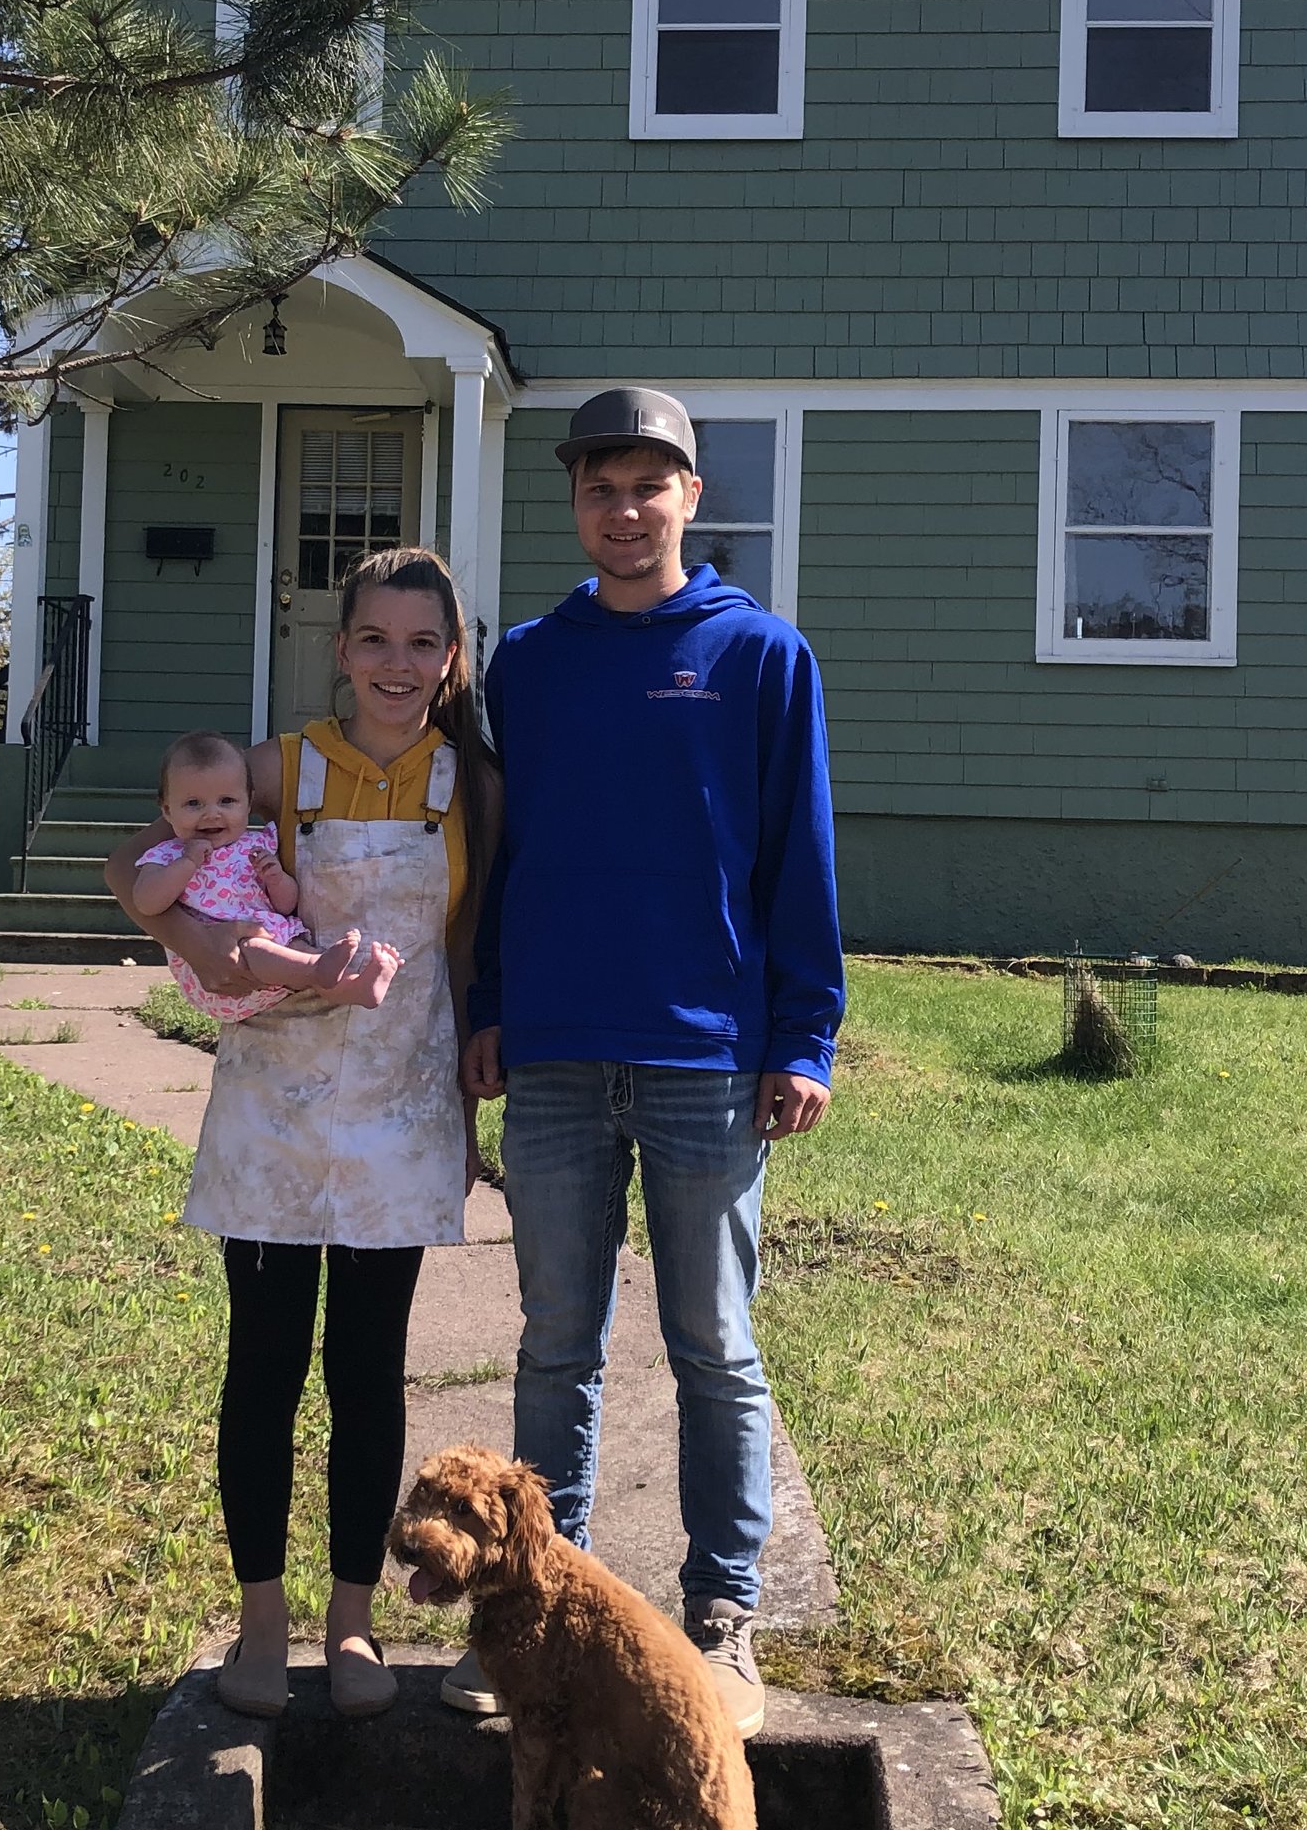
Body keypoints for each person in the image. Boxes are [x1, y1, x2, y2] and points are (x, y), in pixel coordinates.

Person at [459, 385, 841, 1739]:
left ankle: (723, 1617)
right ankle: (525, 1614)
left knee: (713, 1348)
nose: (624, 511)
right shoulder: (531, 661)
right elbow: (504, 852)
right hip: (557, 1051)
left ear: (691, 496)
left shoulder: (759, 656)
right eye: (599, 489)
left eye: (648, 486)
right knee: (557, 1344)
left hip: (704, 1059)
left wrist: (805, 1034)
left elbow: (800, 857)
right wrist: (490, 1001)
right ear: (575, 505)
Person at [106, 546, 495, 1723]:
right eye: (373, 638)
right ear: (340, 650)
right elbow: (140, 858)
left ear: (450, 657)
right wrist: (195, 939)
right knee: (264, 1366)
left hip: (402, 1100)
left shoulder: (471, 781)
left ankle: (353, 1619)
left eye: (421, 642)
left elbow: (470, 940)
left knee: (369, 1370)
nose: (396, 663)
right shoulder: (280, 768)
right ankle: (260, 1618)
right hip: (272, 1101)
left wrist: (474, 1094)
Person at [127, 730, 399, 1020]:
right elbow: (146, 902)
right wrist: (187, 863)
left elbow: (285, 905)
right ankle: (317, 967)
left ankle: (356, 989)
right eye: (194, 804)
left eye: (227, 801)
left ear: (249, 801)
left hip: (274, 947)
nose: (212, 814)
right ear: (167, 810)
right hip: (219, 968)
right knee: (258, 948)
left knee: (297, 948)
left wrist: (275, 878)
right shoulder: (166, 854)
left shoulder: (257, 846)